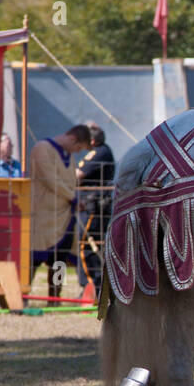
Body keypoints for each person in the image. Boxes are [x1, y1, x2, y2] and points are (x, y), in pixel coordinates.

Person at [30, 124, 91, 299]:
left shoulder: (69, 156)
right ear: (72, 139)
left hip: (64, 218)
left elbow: (69, 181)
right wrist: (72, 196)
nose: (77, 152)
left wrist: (74, 199)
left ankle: (55, 298)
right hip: (42, 216)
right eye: (78, 147)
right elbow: (50, 179)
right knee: (34, 259)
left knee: (59, 261)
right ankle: (23, 295)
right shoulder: (42, 149)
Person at [75, 122, 115, 292]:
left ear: (91, 141)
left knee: (86, 245)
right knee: (91, 245)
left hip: (93, 206)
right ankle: (92, 288)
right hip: (90, 205)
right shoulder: (99, 151)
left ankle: (92, 287)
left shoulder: (99, 152)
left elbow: (77, 176)